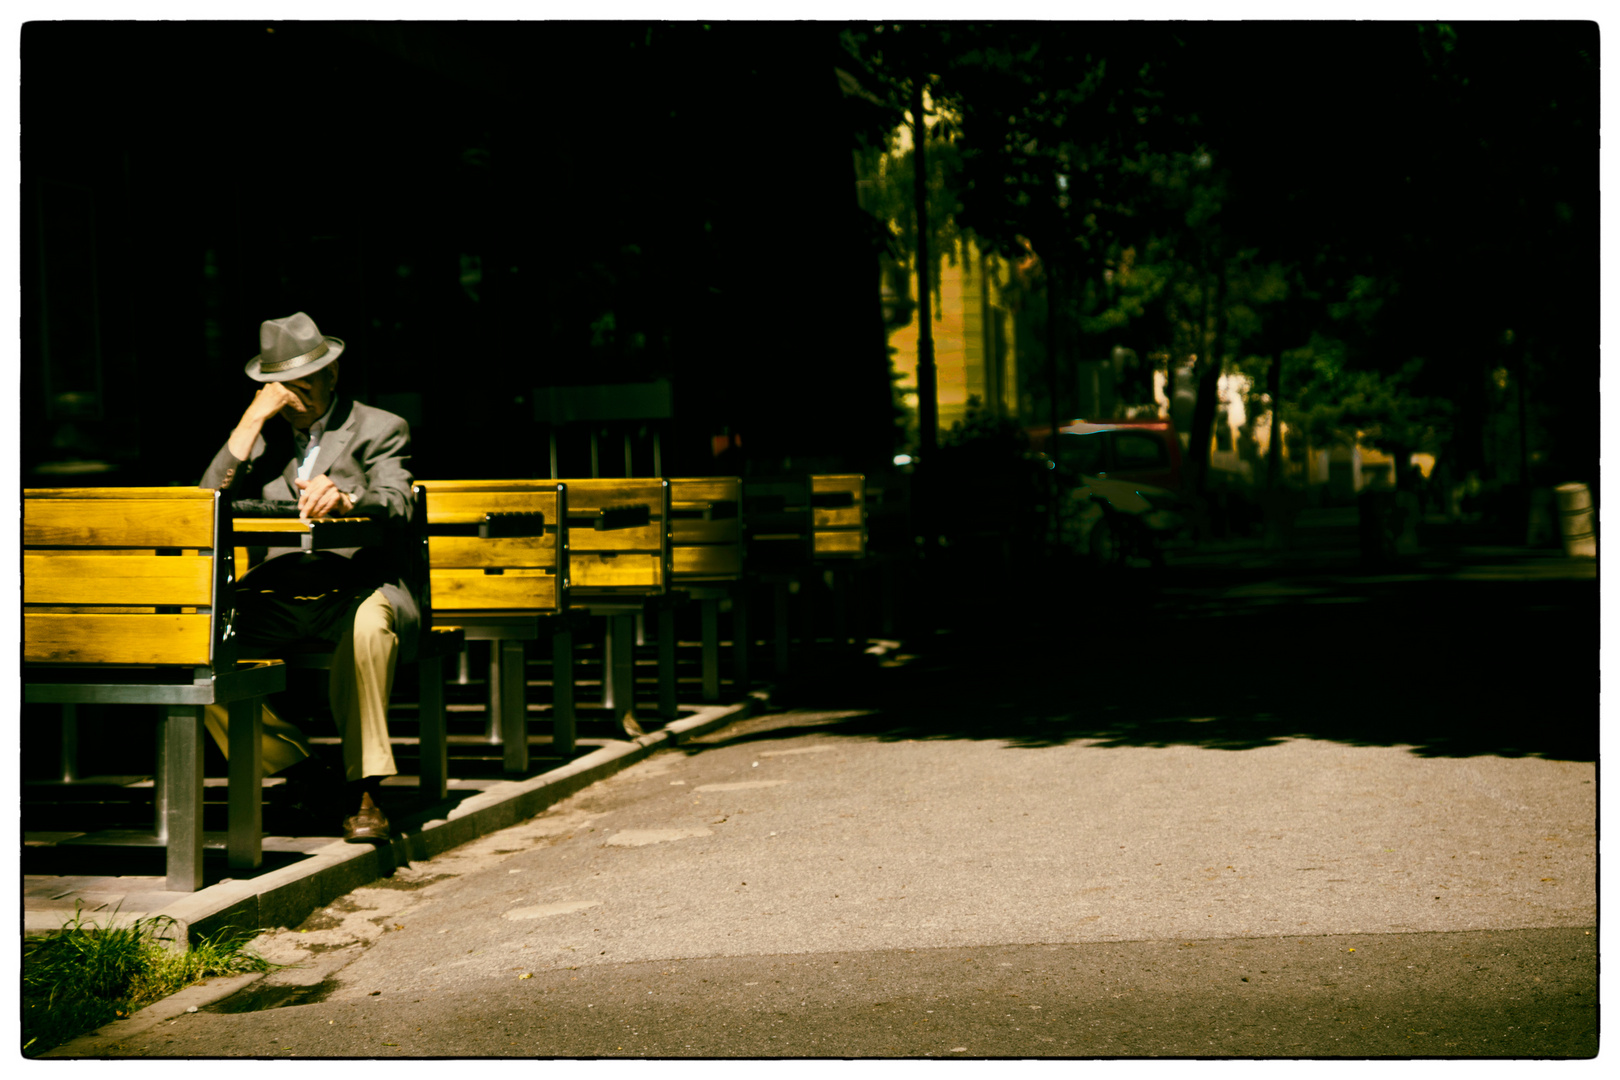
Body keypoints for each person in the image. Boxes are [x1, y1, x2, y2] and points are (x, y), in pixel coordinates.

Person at [200, 311, 421, 842]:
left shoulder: (381, 427)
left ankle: (366, 786)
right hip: (279, 592)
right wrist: (253, 420)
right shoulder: (260, 440)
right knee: (197, 644)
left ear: (332, 375)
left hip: (358, 586)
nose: (297, 401)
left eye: (306, 385)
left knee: (368, 630)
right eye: (283, 391)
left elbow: (396, 499)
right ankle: (301, 770)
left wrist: (348, 499)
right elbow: (206, 501)